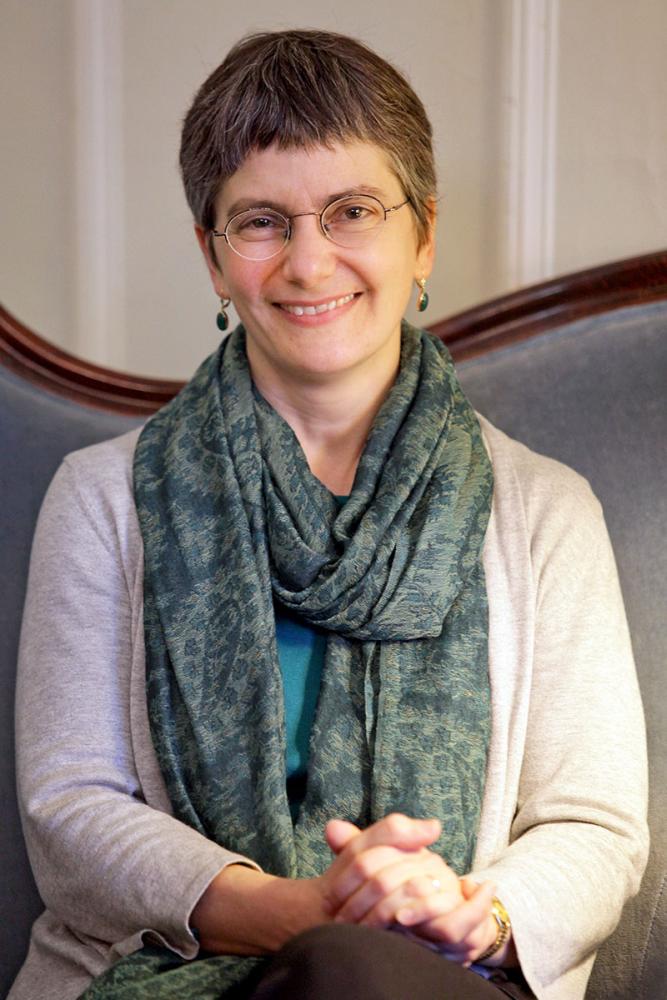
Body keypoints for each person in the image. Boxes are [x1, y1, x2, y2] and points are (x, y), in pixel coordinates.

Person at [10, 28, 648, 1000]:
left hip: (447, 979)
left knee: (362, 972)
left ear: (422, 232)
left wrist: (467, 912)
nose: (309, 263)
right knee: (343, 962)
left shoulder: (545, 510)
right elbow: (72, 807)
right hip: (165, 978)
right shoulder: (101, 497)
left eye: (351, 210)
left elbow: (595, 823)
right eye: (262, 220)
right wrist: (300, 909)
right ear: (213, 257)